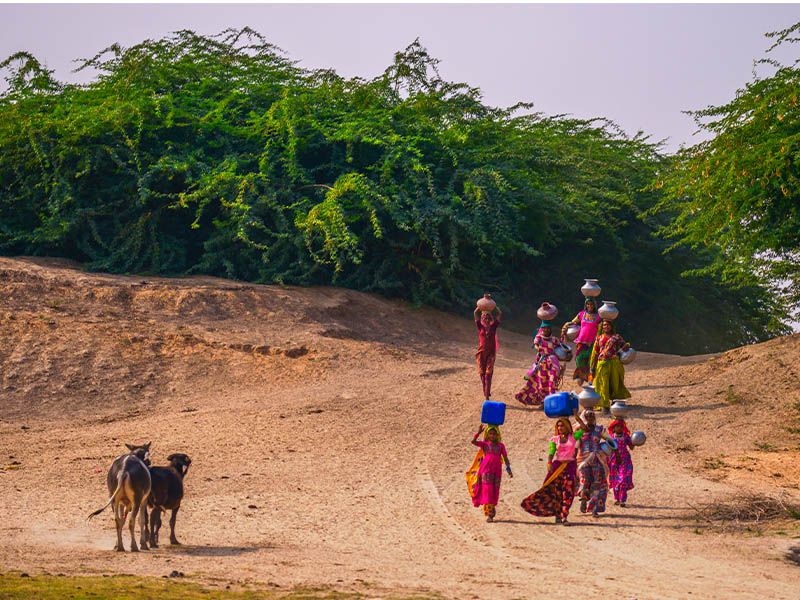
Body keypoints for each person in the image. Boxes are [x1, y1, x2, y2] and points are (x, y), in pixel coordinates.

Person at [521, 409, 585, 525]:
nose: (560, 428)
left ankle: (564, 516)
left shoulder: (573, 437)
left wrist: (576, 416)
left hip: (569, 466)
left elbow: (584, 428)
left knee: (568, 493)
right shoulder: (554, 439)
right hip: (557, 467)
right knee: (556, 493)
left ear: (567, 427)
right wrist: (549, 463)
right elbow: (551, 452)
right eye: (558, 426)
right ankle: (557, 514)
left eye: (562, 426)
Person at [466, 424, 513, 522]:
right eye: (490, 434)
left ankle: (491, 509)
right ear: (488, 435)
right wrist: (478, 432)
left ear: (497, 434)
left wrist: (508, 469)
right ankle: (490, 514)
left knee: (494, 490)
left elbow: (505, 457)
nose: (492, 436)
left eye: (494, 434)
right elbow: (473, 442)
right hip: (486, 470)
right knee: (487, 490)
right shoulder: (485, 444)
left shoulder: (501, 446)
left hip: (496, 471)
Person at [515, 321, 563, 408]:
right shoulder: (539, 337)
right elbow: (536, 345)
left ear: (550, 329)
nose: (546, 330)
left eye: (548, 328)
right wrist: (539, 349)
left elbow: (561, 349)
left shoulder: (554, 339)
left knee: (552, 383)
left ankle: (550, 403)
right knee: (542, 384)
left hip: (553, 363)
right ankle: (544, 402)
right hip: (542, 363)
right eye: (544, 328)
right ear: (542, 329)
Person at [576, 409, 615, 518]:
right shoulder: (579, 430)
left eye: (592, 417)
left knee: (597, 483)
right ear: (584, 418)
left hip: (597, 459)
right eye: (588, 417)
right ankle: (584, 500)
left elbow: (610, 440)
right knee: (584, 481)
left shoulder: (599, 429)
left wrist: (608, 448)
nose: (590, 419)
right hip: (583, 460)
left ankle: (593, 508)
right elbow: (576, 445)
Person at [590, 320, 632, 415]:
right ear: (602, 327)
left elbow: (625, 346)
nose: (606, 327)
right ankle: (605, 405)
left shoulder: (617, 337)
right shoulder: (599, 338)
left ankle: (615, 402)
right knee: (603, 384)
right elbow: (595, 353)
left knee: (615, 383)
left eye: (608, 325)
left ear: (611, 326)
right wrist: (592, 367)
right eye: (604, 325)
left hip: (615, 363)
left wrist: (626, 346)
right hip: (602, 363)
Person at [561, 297, 601, 385]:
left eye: (591, 304)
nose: (589, 306)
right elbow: (573, 322)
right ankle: (581, 375)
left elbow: (601, 329)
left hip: (592, 342)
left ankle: (590, 379)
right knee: (579, 359)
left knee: (590, 360)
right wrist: (566, 326)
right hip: (581, 341)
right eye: (587, 304)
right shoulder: (581, 314)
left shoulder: (599, 317)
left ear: (594, 305)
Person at [474, 305, 502, 400]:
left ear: (490, 319)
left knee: (488, 374)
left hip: (491, 354)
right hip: (481, 353)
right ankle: (486, 391)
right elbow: (475, 313)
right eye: (484, 317)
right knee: (482, 374)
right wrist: (480, 306)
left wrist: (493, 306)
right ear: (482, 318)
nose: (486, 319)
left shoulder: (494, 327)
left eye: (488, 317)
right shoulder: (480, 327)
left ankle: (486, 397)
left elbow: (499, 313)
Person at [607, 419, 635, 507]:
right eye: (617, 426)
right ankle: (617, 499)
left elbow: (631, 447)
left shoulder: (626, 436)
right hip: (613, 460)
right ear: (613, 428)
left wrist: (635, 441)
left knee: (623, 479)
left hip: (625, 460)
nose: (619, 428)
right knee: (615, 480)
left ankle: (622, 500)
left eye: (620, 426)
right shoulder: (611, 437)